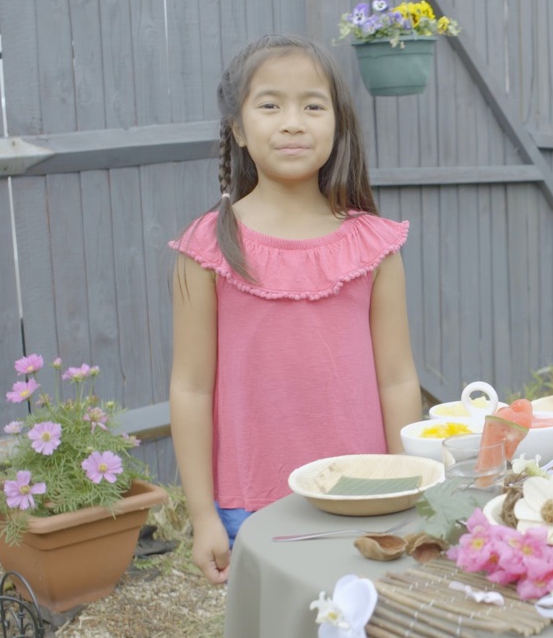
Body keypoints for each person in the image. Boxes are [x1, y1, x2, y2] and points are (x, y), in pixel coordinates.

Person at [168, 34, 421, 585]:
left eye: (313, 105)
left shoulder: (374, 246)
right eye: (269, 104)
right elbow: (190, 388)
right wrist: (203, 514)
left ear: (338, 123)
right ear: (237, 128)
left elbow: (398, 378)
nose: (292, 121)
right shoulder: (207, 246)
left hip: (366, 491)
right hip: (249, 504)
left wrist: (414, 483)